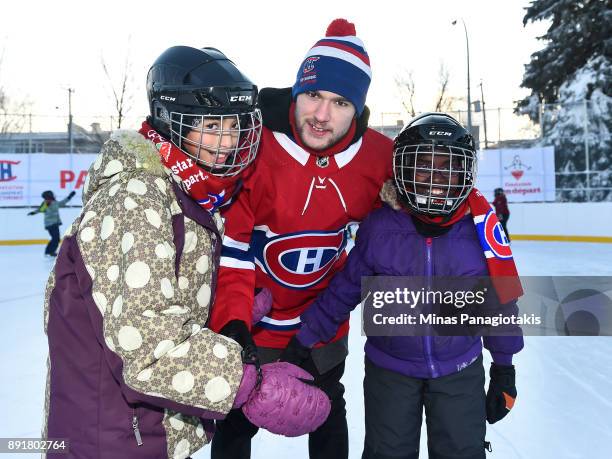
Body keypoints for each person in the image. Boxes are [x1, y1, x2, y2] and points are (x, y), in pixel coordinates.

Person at [42, 46, 329, 459]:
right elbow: (148, 353)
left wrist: (223, 311)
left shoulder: (184, 196)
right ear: (169, 122)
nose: (227, 142)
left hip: (140, 435)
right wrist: (252, 385)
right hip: (107, 441)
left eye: (234, 126)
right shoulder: (136, 198)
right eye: (211, 124)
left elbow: (152, 305)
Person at [287, 113, 524, 459]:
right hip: (390, 372)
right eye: (424, 166)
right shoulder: (380, 227)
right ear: (403, 170)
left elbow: (500, 303)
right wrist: (304, 339)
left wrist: (503, 367)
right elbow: (345, 289)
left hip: (459, 370)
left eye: (448, 167)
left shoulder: (480, 229)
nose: (436, 178)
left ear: (465, 172)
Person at [208, 18, 393, 459]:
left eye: (340, 102)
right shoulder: (253, 147)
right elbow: (233, 251)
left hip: (323, 324)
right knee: (232, 424)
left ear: (359, 109)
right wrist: (233, 329)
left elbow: (444, 192)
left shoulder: (380, 158)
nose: (322, 115)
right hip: (253, 319)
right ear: (296, 91)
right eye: (313, 95)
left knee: (328, 410)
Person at [27, 189, 76, 256]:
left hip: (55, 223)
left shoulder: (54, 202)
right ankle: (49, 251)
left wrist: (70, 196)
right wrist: (33, 212)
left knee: (56, 238)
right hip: (50, 224)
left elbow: (62, 203)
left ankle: (49, 251)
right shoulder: (45, 204)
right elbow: (40, 209)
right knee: (55, 238)